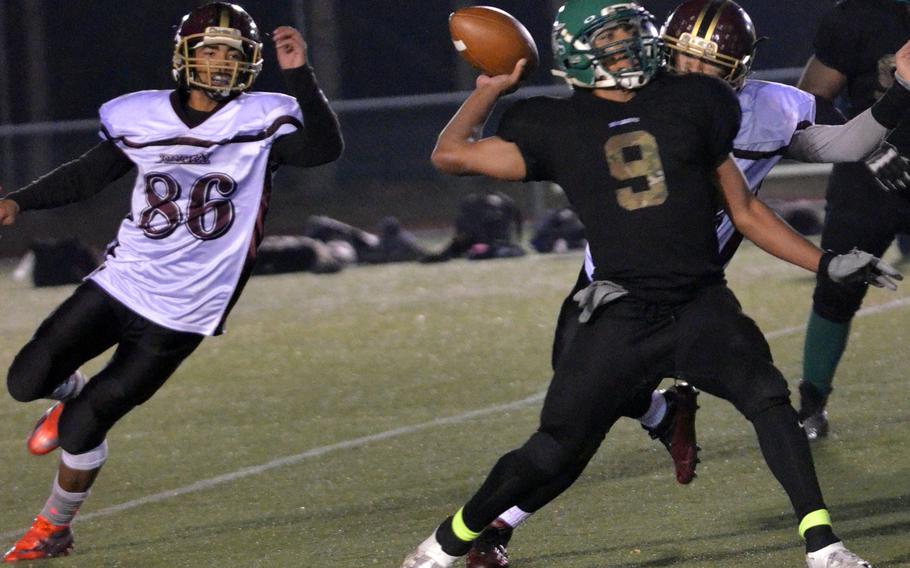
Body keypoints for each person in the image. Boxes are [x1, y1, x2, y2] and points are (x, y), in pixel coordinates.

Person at [400, 1, 902, 567]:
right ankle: (652, 422)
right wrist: (491, 85)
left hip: (697, 294)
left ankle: (823, 544)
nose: (697, 77)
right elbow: (453, 155)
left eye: (711, 68)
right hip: (615, 294)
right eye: (683, 61)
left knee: (766, 396)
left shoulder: (703, 107)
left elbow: (748, 209)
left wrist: (828, 253)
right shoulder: (588, 117)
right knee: (566, 436)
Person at [0, 2, 342, 562]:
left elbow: (324, 149)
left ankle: (54, 527)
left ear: (250, 64)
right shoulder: (141, 115)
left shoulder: (262, 117)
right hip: (124, 280)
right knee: (26, 379)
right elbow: (90, 173)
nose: (220, 64)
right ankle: (66, 394)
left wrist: (301, 74)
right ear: (185, 55)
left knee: (86, 426)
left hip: (188, 309)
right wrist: (20, 201)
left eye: (232, 54)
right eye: (209, 50)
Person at [795, 0, 910, 440]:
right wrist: (867, 148)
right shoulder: (860, 16)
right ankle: (812, 402)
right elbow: (810, 99)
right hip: (868, 178)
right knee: (837, 289)